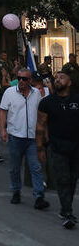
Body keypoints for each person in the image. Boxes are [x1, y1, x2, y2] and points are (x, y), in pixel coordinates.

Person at [0, 67, 50, 209]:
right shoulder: (9, 92)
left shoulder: (36, 94)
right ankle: (16, 191)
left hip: (32, 138)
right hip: (15, 136)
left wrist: (44, 133)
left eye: (25, 79)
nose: (21, 81)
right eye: (19, 78)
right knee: (14, 168)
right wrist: (2, 129)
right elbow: (3, 112)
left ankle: (39, 196)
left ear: (30, 80)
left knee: (36, 167)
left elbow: (41, 116)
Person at [37, 70, 79, 229]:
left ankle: (64, 208)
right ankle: (68, 213)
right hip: (56, 146)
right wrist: (40, 148)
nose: (57, 80)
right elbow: (40, 126)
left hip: (76, 147)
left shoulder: (77, 99)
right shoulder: (47, 102)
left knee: (72, 178)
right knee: (62, 179)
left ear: (69, 82)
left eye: (62, 77)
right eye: (56, 78)